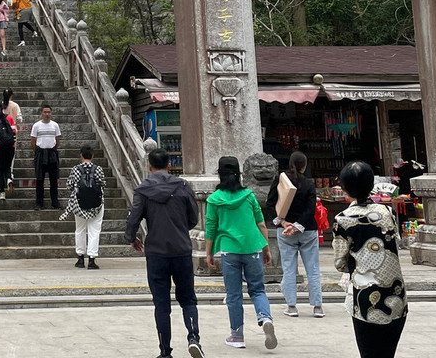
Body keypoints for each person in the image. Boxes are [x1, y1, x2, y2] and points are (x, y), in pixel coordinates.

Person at [126, 148, 203, 358]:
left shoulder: (143, 190)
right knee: (188, 299)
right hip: (181, 249)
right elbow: (193, 218)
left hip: (156, 251)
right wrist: (179, 228)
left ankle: (165, 351)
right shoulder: (183, 186)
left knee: (161, 303)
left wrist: (132, 237)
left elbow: (134, 218)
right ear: (169, 165)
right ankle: (193, 337)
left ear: (149, 166)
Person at [333, 161, 407, 358]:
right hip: (395, 295)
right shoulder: (387, 212)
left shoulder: (343, 219)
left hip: (365, 298)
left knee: (368, 353)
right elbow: (395, 241)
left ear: (345, 188)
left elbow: (340, 262)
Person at [205, 156, 277, 351]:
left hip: (229, 250)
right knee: (257, 289)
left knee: (234, 294)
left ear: (219, 174)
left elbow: (210, 228)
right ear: (240, 174)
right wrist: (266, 248)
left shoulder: (214, 200)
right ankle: (265, 318)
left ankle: (237, 336)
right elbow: (260, 223)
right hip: (252, 247)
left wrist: (209, 253)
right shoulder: (249, 196)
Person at [266, 151, 323, 318]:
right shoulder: (309, 184)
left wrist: (284, 223)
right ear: (304, 166)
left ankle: (291, 306)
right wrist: (297, 226)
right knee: (312, 268)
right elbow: (311, 210)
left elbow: (270, 204)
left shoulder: (280, 180)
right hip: (307, 230)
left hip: (284, 230)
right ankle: (317, 307)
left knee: (289, 268)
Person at [60, 145, 106, 270]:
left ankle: (80, 258)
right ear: (93, 156)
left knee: (80, 229)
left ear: (81, 156)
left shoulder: (75, 169)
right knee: (94, 230)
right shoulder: (98, 169)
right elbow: (103, 183)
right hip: (96, 204)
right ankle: (92, 259)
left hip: (79, 203)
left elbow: (69, 185)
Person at [30, 105, 62, 210]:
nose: (47, 114)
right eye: (45, 112)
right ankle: (39, 203)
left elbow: (57, 140)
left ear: (51, 113)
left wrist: (52, 149)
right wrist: (38, 151)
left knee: (53, 179)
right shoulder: (36, 125)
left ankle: (55, 202)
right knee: (39, 179)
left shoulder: (55, 125)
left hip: (52, 153)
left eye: (49, 112)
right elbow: (33, 141)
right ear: (41, 113)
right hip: (40, 153)